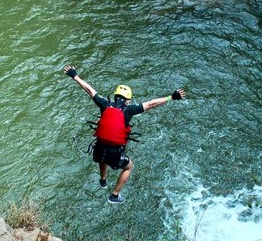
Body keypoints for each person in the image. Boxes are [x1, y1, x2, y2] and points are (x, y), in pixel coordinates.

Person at [64, 65, 186, 204]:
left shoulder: (104, 104)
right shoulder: (130, 110)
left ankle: (103, 180)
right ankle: (114, 195)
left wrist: (74, 75)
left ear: (115, 97)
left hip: (98, 151)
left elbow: (89, 89)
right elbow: (152, 104)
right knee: (129, 167)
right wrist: (172, 97)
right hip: (114, 153)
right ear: (127, 100)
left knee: (102, 155)